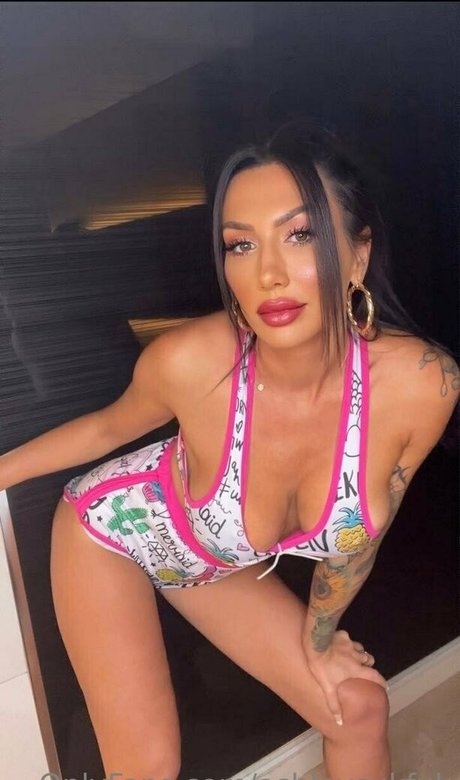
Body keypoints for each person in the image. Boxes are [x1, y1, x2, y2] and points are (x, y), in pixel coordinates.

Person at [1, 121, 458, 780]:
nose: (268, 273)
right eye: (240, 245)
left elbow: (360, 539)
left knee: (357, 706)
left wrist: (319, 638)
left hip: (212, 560)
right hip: (113, 536)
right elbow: (105, 431)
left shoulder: (421, 384)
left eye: (300, 235)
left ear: (358, 255)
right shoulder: (193, 361)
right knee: (149, 767)